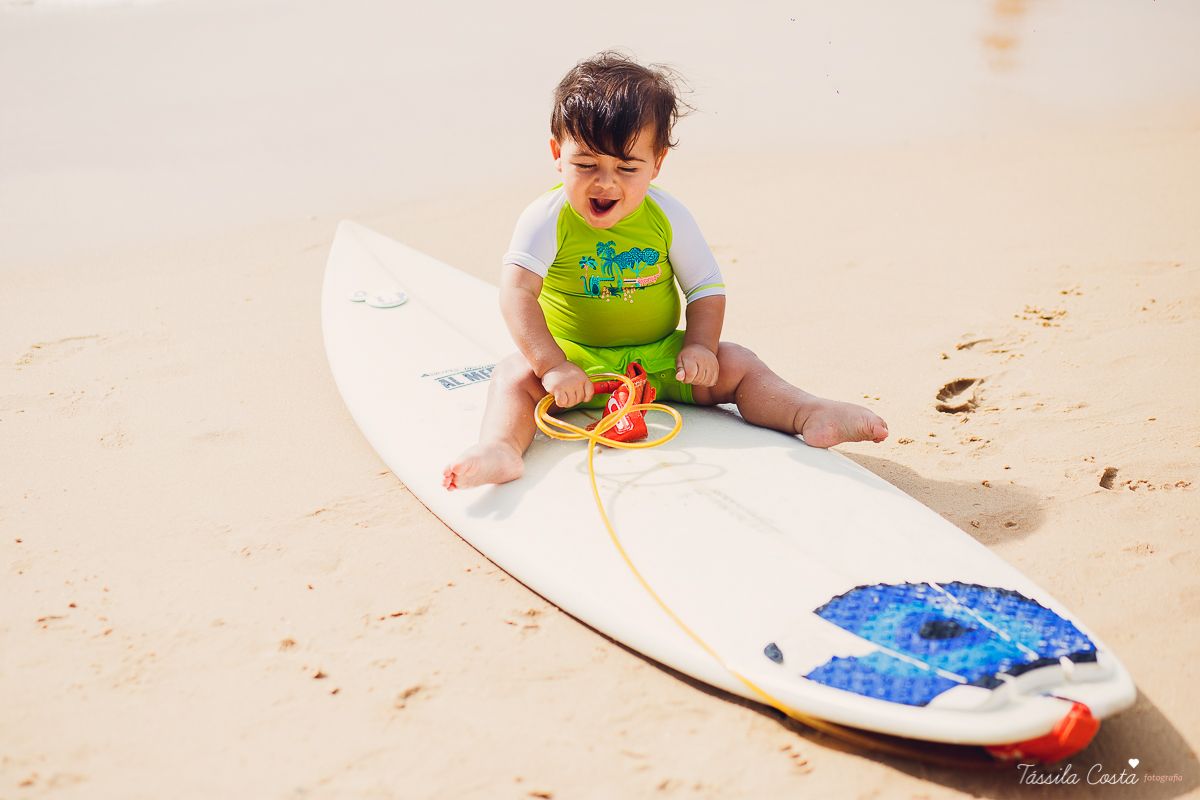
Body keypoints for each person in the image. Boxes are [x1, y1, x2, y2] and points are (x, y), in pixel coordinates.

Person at [443, 51, 887, 491]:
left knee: (738, 362)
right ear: (558, 154)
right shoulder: (546, 218)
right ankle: (500, 447)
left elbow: (706, 289)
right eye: (586, 165)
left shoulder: (667, 215)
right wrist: (553, 365)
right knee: (512, 375)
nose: (605, 181)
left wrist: (700, 347)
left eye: (626, 167)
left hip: (660, 360)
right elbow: (517, 293)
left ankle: (808, 412)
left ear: (656, 164)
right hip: (580, 366)